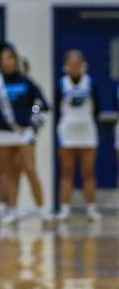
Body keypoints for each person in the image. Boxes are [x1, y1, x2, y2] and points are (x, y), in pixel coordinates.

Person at [0, 44, 49, 222]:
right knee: (9, 173)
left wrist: (35, 126)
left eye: (10, 58)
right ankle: (12, 209)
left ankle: (42, 209)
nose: (7, 62)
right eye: (3, 59)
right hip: (3, 133)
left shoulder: (26, 81)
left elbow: (43, 104)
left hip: (24, 132)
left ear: (16, 60)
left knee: (30, 169)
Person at [55, 50, 101, 221]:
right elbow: (45, 107)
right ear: (66, 66)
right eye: (71, 64)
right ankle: (65, 208)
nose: (74, 68)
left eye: (78, 64)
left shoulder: (91, 83)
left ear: (83, 65)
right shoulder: (61, 84)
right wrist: (37, 123)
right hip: (67, 133)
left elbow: (98, 109)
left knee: (88, 171)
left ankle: (91, 208)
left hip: (87, 132)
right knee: (67, 172)